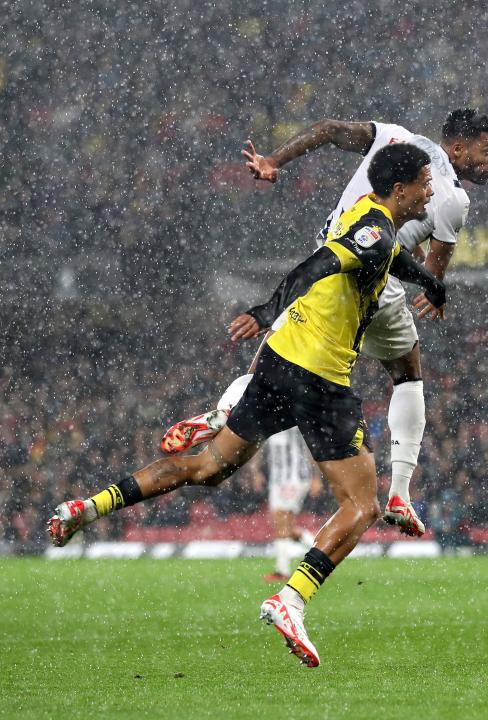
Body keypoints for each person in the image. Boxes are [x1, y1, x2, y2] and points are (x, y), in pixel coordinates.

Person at [48, 143, 445, 668]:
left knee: (210, 467)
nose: (431, 189)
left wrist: (432, 282)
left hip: (281, 360)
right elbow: (320, 263)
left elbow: (391, 258)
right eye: (423, 182)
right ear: (400, 190)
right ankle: (291, 598)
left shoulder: (369, 218)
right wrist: (266, 309)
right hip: (321, 378)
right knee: (362, 505)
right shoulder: (371, 233)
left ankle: (86, 507)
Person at [160, 109, 488, 539]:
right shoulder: (451, 196)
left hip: (327, 267)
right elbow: (431, 274)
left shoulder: (392, 138)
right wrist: (433, 292)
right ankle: (399, 492)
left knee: (268, 364)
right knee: (408, 372)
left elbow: (327, 131)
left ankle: (222, 413)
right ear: (458, 147)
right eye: (487, 150)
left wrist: (274, 162)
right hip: (376, 282)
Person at [259, 427, 322, 583]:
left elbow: (311, 447)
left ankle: (282, 571)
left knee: (282, 520)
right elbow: (264, 448)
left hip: (294, 477)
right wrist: (258, 471)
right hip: (277, 479)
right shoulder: (270, 419)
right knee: (287, 528)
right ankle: (322, 560)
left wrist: (316, 477)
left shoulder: (293, 420)